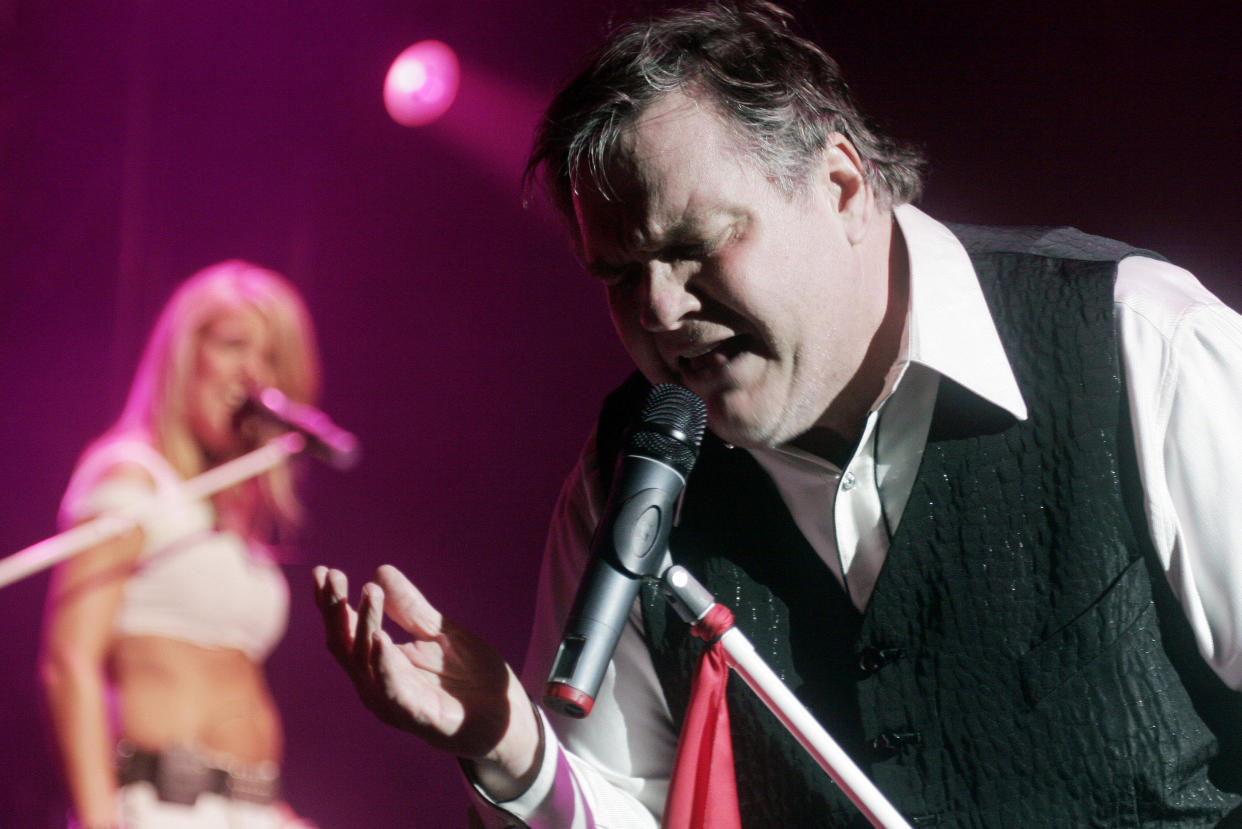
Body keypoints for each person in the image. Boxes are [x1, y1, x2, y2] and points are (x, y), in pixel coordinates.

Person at [314, 2, 1242, 826]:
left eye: (693, 245)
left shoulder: (1137, 343)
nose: (660, 310)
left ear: (840, 186)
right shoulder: (624, 481)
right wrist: (513, 749)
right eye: (619, 274)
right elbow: (632, 805)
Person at [41, 260, 322, 829]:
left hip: (251, 807)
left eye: (271, 358)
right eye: (233, 345)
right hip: (163, 805)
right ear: (184, 354)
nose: (252, 375)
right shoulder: (134, 478)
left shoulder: (230, 513)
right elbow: (69, 659)